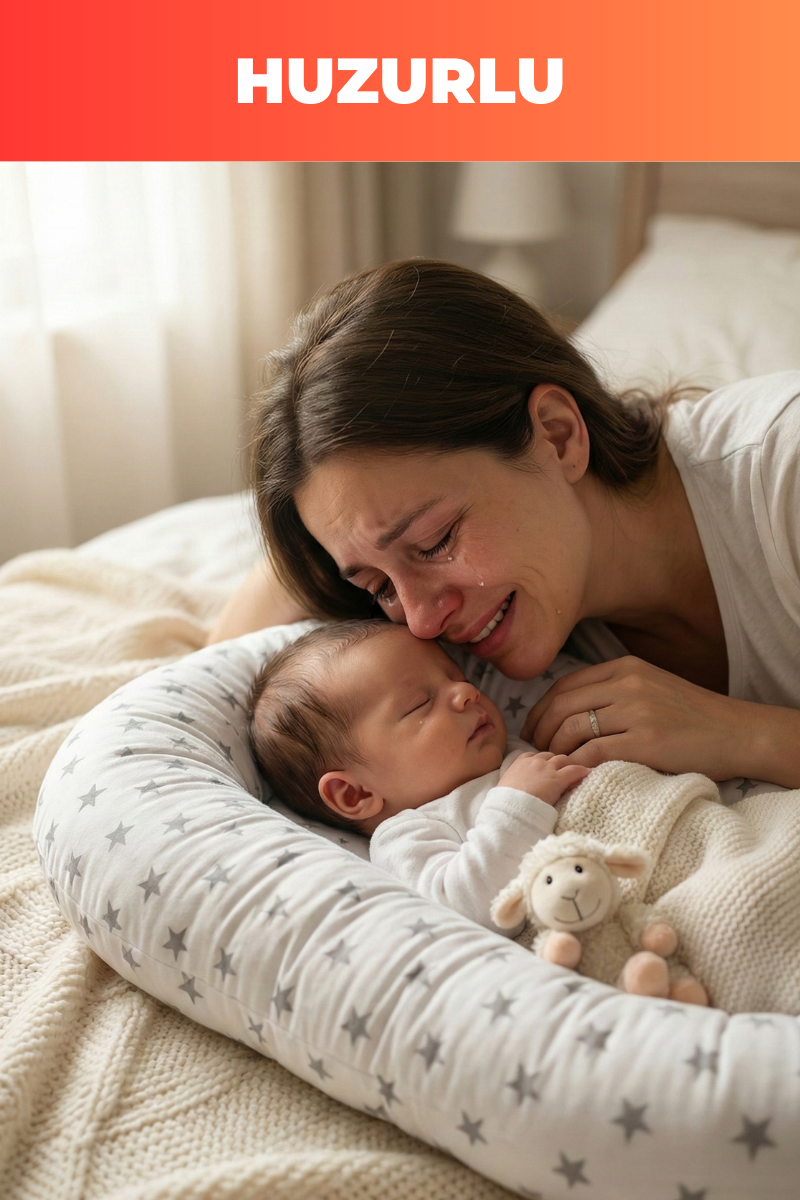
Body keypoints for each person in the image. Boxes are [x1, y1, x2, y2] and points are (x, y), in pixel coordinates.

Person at [212, 259, 800, 789]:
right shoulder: (465, 622)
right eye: (381, 586)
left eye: (436, 541)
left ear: (558, 435)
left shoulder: (783, 475)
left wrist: (742, 734)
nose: (421, 621)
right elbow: (232, 657)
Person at [247, 618, 590, 930]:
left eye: (459, 678)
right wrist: (517, 806)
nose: (467, 693)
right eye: (420, 704)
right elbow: (466, 911)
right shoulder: (408, 835)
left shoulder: (509, 748)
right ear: (356, 794)